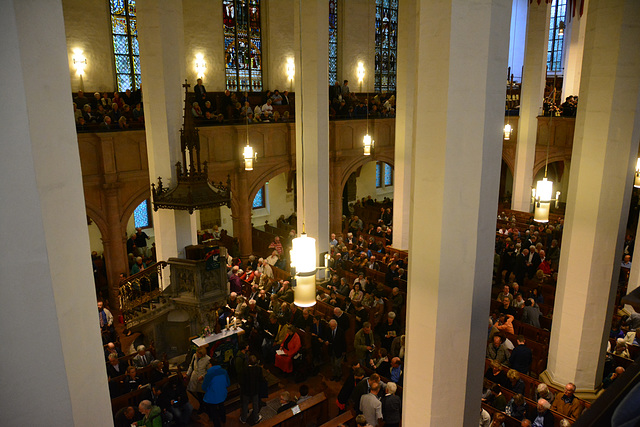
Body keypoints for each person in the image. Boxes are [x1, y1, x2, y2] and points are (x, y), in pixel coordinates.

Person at [202, 361, 230, 427]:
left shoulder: (209, 374)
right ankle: (223, 419)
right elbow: (228, 383)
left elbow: (204, 387)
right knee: (221, 406)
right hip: (222, 394)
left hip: (212, 397)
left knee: (213, 411)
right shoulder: (224, 371)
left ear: (211, 364)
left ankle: (217, 424)